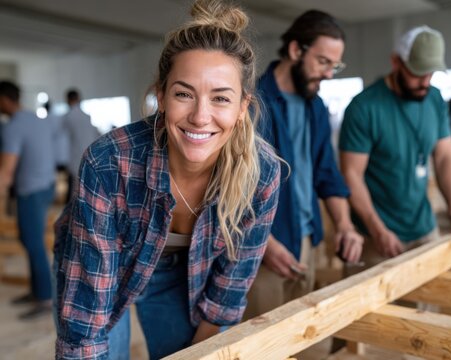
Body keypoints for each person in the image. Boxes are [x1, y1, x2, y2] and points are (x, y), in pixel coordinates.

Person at [53, 0, 281, 359]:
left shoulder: (262, 173)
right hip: (98, 268)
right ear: (160, 95)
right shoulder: (109, 161)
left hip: (182, 274)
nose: (200, 116)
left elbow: (230, 287)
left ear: (242, 108)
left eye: (220, 98)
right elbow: (86, 323)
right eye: (183, 94)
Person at [243, 10, 363, 324]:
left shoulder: (316, 106)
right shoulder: (251, 104)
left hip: (307, 241)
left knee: (306, 336)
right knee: (264, 344)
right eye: (323, 62)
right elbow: (230, 187)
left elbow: (326, 174)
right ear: (296, 50)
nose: (329, 74)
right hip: (260, 249)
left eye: (334, 65)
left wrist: (345, 225)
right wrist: (264, 245)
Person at [339, 26, 451, 271]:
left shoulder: (434, 99)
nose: (424, 82)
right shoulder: (364, 107)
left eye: (431, 74)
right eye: (417, 73)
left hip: (424, 227)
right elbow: (352, 176)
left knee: (427, 304)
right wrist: (378, 230)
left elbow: (445, 156)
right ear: (396, 62)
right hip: (376, 237)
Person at [0, 80, 56, 319]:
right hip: (46, 186)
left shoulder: (13, 127)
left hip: (31, 190)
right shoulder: (37, 119)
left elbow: (6, 171)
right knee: (29, 240)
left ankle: (45, 298)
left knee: (33, 243)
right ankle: (37, 291)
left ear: (4, 100)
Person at [62, 88, 100, 201]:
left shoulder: (67, 117)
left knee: (76, 190)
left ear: (68, 100)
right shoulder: (86, 117)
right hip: (89, 156)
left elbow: (62, 141)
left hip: (74, 158)